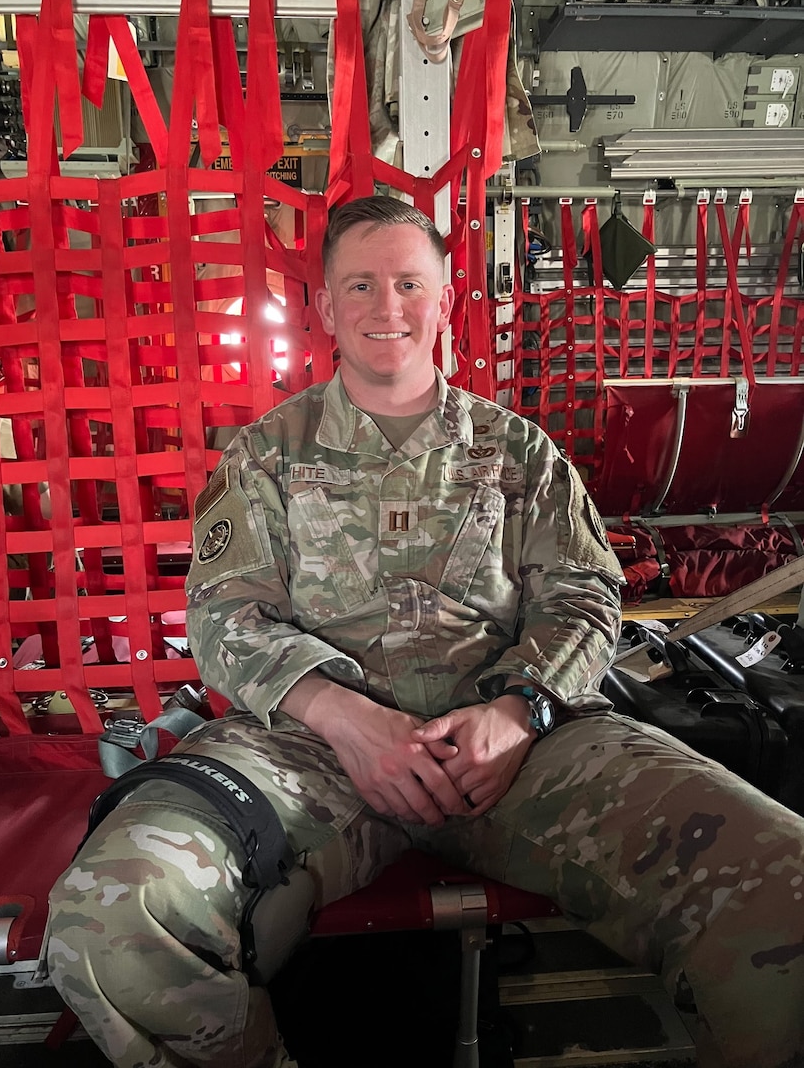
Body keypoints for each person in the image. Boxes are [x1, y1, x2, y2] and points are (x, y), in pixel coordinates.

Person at [46, 196, 804, 1068]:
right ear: (326, 308)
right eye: (360, 285)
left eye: (410, 283)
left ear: (445, 299)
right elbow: (225, 614)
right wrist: (344, 718)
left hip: (520, 755)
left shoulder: (518, 452)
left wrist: (519, 710)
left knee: (785, 891)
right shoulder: (268, 456)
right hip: (309, 754)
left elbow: (585, 600)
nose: (387, 306)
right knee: (111, 914)